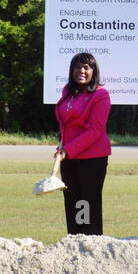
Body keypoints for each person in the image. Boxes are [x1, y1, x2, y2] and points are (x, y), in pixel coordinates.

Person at [55, 52, 111, 235]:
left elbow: (95, 130)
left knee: (87, 204)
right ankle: (74, 241)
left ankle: (90, 244)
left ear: (93, 71)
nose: (81, 71)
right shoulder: (68, 92)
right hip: (69, 158)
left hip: (92, 159)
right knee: (73, 202)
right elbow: (67, 123)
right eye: (77, 67)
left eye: (86, 67)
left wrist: (68, 150)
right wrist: (63, 145)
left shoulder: (100, 95)